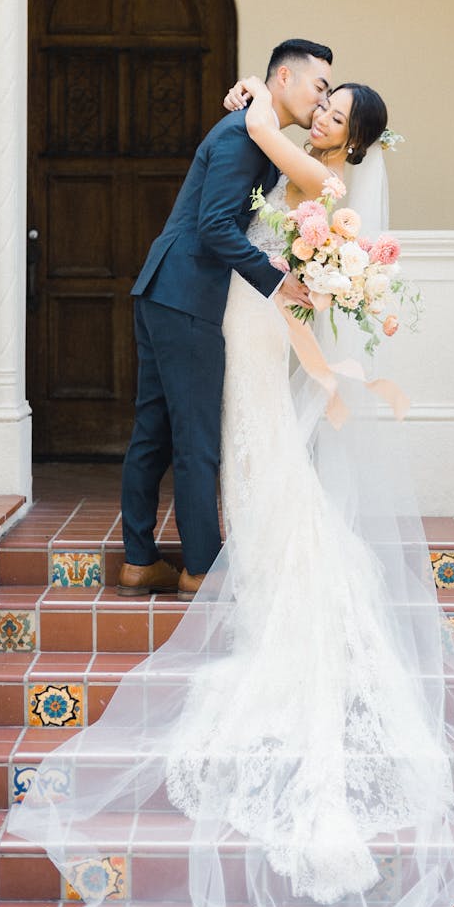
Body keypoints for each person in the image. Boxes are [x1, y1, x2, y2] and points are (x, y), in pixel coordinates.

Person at [8, 71, 454, 907]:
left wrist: (254, 99)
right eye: (322, 102)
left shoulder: (322, 178)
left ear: (353, 142)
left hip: (256, 313)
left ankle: (267, 567)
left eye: (338, 112)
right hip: (246, 313)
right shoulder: (306, 166)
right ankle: (249, 553)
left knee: (253, 446)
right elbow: (266, 157)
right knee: (245, 445)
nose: (322, 114)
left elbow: (267, 138)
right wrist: (258, 105)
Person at [116, 38, 332, 602]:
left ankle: (140, 562)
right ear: (283, 78)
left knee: (155, 430)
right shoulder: (244, 136)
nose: (322, 97)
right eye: (319, 85)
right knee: (193, 439)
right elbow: (215, 226)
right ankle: (200, 570)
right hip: (187, 295)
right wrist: (276, 278)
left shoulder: (254, 130)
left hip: (164, 289)